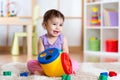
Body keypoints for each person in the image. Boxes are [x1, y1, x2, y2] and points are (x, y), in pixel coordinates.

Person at [27, 9, 78, 75]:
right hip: (46, 64)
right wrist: (47, 63)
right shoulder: (42, 39)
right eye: (54, 24)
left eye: (60, 25)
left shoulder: (63, 39)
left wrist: (64, 62)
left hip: (59, 64)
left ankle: (67, 70)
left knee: (75, 63)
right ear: (45, 25)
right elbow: (41, 55)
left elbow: (66, 53)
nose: (58, 27)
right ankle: (44, 71)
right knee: (30, 63)